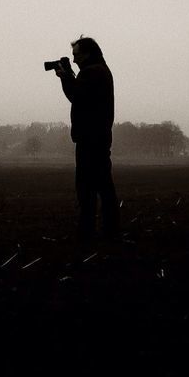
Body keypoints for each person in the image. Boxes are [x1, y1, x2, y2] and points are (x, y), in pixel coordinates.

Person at [54, 36, 119, 240]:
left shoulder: (92, 72)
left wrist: (65, 77)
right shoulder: (99, 70)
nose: (74, 60)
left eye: (76, 55)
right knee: (102, 186)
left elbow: (76, 95)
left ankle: (89, 231)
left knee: (87, 188)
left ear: (87, 53)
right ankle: (108, 230)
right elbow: (81, 94)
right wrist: (70, 76)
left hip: (90, 139)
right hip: (98, 137)